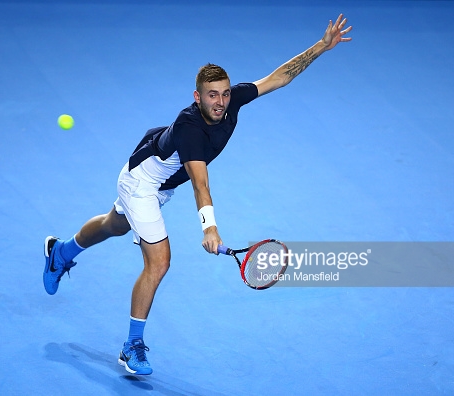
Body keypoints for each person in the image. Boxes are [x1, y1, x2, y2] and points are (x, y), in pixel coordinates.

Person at [43, 14, 352, 375]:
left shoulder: (232, 99)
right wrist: (209, 228)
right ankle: (132, 346)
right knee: (158, 262)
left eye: (224, 93)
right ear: (197, 97)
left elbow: (277, 78)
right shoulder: (191, 129)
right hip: (141, 183)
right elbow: (200, 183)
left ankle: (60, 251)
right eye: (211, 96)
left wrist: (321, 46)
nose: (220, 102)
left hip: (156, 179)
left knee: (116, 224)